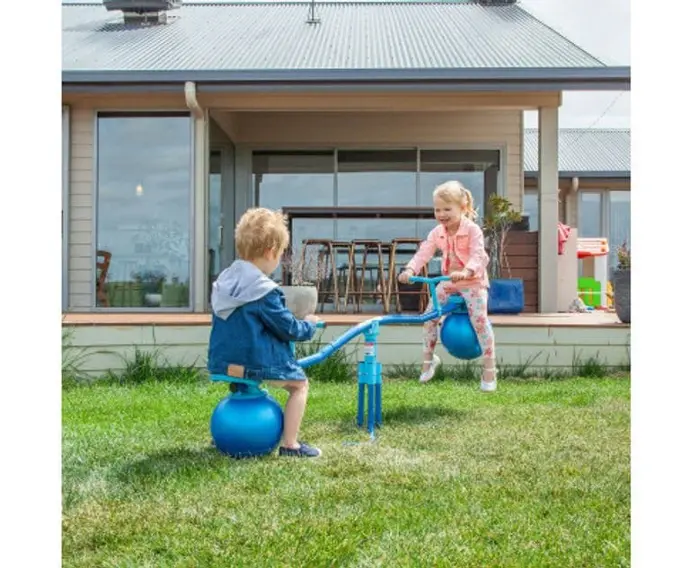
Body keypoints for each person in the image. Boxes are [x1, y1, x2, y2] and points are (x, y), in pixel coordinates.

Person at [207, 207, 323, 457]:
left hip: (222, 363)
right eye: (281, 253)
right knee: (300, 385)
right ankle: (290, 444)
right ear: (271, 251)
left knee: (246, 380)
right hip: (253, 363)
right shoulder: (263, 290)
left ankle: (229, 434)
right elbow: (288, 328)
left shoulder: (224, 282)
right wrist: (310, 325)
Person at [398, 181, 497, 392]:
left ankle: (489, 368)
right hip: (449, 283)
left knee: (479, 321)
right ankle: (428, 361)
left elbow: (478, 254)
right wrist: (410, 270)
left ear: (462, 207)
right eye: (437, 209)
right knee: (429, 317)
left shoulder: (472, 230)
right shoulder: (438, 232)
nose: (441, 214)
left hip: (472, 282)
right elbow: (424, 251)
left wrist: (467, 271)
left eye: (447, 209)